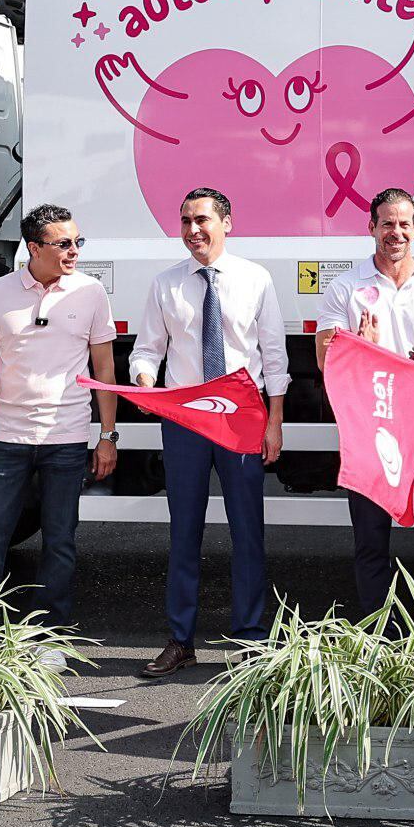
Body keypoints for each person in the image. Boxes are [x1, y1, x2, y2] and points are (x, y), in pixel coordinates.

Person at [128, 186, 288, 678]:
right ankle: (181, 640)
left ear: (227, 222)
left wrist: (274, 421)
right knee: (184, 533)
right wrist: (145, 377)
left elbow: (274, 355)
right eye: (184, 222)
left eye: (202, 220)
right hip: (186, 419)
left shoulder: (256, 279)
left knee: (247, 532)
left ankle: (250, 640)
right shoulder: (165, 284)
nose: (193, 230)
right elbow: (147, 348)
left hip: (241, 417)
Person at [316, 188, 414, 615]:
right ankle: (376, 637)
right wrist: (360, 349)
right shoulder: (345, 287)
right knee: (370, 534)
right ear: (372, 228)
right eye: (387, 223)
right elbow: (325, 357)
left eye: (404, 224)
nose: (395, 232)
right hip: (372, 421)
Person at [0, 205, 119, 630]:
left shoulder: (90, 292)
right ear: (33, 248)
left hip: (66, 438)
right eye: (64, 244)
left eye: (77, 242)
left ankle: (51, 635)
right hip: (8, 437)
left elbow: (104, 370)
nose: (74, 251)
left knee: (60, 541)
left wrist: (108, 436)